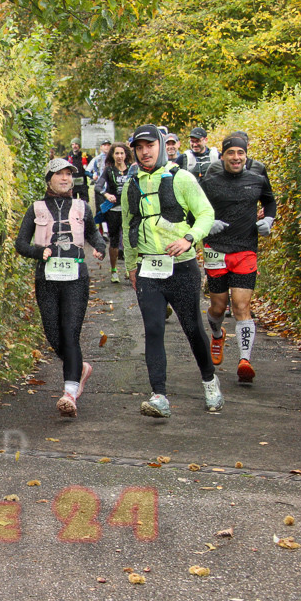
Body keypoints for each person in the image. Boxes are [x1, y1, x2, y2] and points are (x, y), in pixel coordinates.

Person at [121, 125, 223, 418]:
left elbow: (206, 213)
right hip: (148, 269)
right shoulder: (131, 184)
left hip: (182, 268)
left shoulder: (182, 178)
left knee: (192, 328)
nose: (144, 152)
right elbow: (129, 227)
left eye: (149, 146)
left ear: (161, 146)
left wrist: (189, 238)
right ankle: (159, 396)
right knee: (153, 329)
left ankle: (209, 380)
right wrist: (131, 266)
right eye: (139, 148)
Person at [16, 159, 106, 418]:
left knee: (70, 332)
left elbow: (93, 234)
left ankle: (69, 393)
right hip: (46, 278)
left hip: (76, 277)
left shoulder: (82, 206)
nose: (66, 179)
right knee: (53, 333)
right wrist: (38, 251)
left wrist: (99, 246)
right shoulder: (36, 209)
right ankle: (80, 369)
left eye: (69, 174)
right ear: (49, 180)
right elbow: (20, 244)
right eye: (60, 175)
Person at [200, 135, 277, 383]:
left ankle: (245, 359)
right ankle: (217, 333)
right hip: (216, 248)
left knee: (242, 306)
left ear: (246, 155)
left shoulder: (257, 176)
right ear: (222, 155)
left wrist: (268, 220)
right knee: (218, 307)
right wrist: (207, 223)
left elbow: (270, 200)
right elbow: (193, 207)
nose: (236, 157)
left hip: (246, 248)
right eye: (231, 153)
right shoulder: (209, 179)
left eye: (240, 153)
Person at [93, 142, 133, 283]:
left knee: (129, 240)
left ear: (126, 155)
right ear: (112, 155)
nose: (119, 156)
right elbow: (97, 187)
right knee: (114, 241)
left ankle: (129, 269)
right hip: (113, 211)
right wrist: (107, 195)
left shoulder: (132, 169)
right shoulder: (109, 170)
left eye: (122, 153)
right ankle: (114, 270)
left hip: (129, 211)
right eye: (116, 153)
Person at [65, 138, 89, 203]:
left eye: (76, 144)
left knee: (84, 203)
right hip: (72, 184)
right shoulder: (68, 157)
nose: (74, 146)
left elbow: (92, 165)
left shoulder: (85, 156)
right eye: (73, 144)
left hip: (83, 183)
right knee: (72, 203)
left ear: (79, 146)